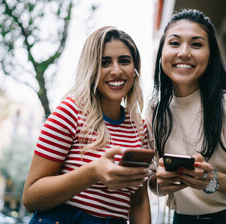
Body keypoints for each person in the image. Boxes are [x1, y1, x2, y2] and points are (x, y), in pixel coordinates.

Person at [147, 9, 226, 223]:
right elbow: (153, 182)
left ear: (210, 57)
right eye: (174, 43)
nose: (184, 52)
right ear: (162, 52)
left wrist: (212, 179)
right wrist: (161, 182)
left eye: (196, 44)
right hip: (183, 219)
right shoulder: (155, 110)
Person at [22, 26, 151, 224]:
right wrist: (92, 173)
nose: (116, 71)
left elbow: (139, 201)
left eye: (124, 61)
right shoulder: (69, 113)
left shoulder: (139, 128)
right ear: (91, 69)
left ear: (135, 69)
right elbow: (30, 198)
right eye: (105, 62)